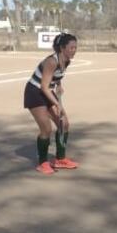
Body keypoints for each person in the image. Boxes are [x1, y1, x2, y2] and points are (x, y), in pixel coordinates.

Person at [24, 32, 79, 174]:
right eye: (71, 48)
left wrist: (59, 84)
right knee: (46, 129)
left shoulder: (66, 60)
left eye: (75, 47)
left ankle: (60, 159)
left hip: (48, 91)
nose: (74, 50)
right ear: (62, 48)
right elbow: (43, 86)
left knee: (64, 124)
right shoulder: (51, 61)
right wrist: (57, 104)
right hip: (35, 92)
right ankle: (42, 162)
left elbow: (57, 75)